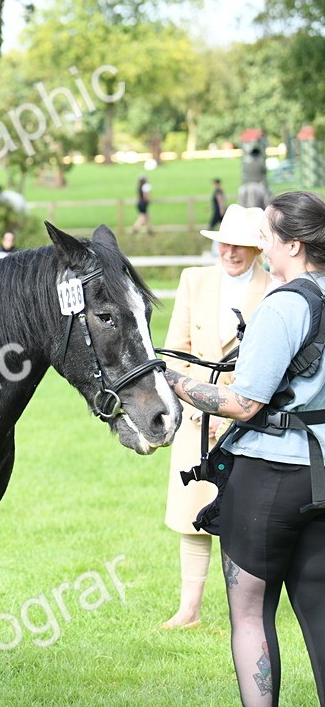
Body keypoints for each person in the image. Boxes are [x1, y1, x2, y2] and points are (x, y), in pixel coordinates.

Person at [162, 191, 325, 705]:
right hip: (321, 474)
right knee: (320, 611)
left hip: (269, 478)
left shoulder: (286, 305)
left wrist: (170, 380)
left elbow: (243, 403)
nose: (262, 244)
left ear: (293, 245)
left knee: (250, 611)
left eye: (268, 235)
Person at [160, 204, 271, 630]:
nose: (231, 251)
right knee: (192, 514)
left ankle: (243, 610)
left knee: (242, 514)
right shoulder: (194, 280)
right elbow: (176, 350)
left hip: (250, 416)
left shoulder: (276, 287)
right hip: (195, 416)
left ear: (257, 249)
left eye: (241, 245)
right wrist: (195, 406)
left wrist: (235, 414)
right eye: (225, 242)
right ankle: (189, 610)